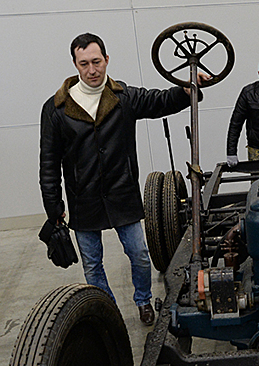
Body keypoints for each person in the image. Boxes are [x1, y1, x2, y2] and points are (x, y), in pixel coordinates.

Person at [40, 33, 200, 325]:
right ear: (75, 64)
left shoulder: (123, 97)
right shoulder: (56, 109)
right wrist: (54, 206)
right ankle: (108, 311)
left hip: (122, 194)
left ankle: (143, 300)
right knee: (92, 265)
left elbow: (159, 101)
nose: (92, 70)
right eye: (84, 63)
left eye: (97, 61)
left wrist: (187, 91)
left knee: (139, 254)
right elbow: (48, 162)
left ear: (107, 60)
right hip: (83, 200)